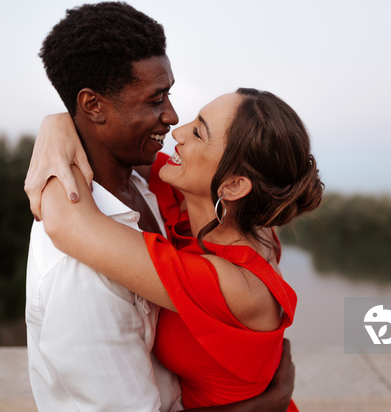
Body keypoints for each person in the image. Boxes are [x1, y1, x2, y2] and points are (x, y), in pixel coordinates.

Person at [25, 3, 296, 411]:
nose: (175, 122)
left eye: (199, 132)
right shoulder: (175, 195)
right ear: (93, 106)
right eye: (157, 99)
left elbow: (67, 225)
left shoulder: (230, 274)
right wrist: (57, 123)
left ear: (235, 185)